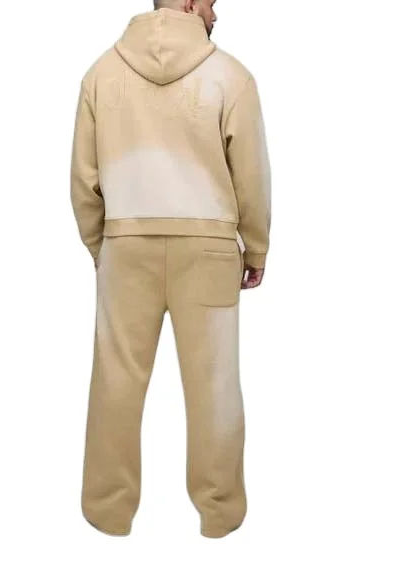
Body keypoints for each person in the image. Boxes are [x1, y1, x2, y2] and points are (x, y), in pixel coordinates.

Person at [70, 0, 272, 538]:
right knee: (215, 385)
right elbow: (251, 174)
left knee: (115, 381)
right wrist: (255, 248)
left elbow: (83, 179)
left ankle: (107, 510)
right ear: (186, 3)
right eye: (209, 2)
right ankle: (221, 512)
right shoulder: (231, 76)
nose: (217, 12)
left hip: (126, 245)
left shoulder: (101, 73)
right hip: (208, 249)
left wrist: (100, 246)